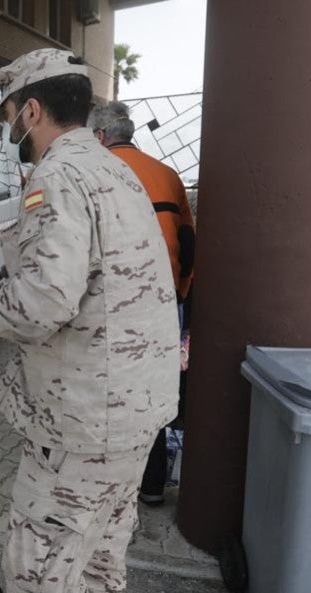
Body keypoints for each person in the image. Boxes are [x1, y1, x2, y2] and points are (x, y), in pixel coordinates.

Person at [0, 49, 179, 593]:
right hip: (136, 409)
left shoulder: (58, 177)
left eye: (9, 117)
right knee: (99, 556)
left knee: (39, 573)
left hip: (86, 423)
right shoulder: (117, 169)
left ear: (33, 110)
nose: (8, 130)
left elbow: (45, 304)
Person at [90, 100, 195, 506]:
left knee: (106, 393)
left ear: (100, 136)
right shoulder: (168, 175)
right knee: (151, 395)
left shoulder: (94, 174)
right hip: (163, 304)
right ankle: (151, 487)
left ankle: (107, 488)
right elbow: (189, 245)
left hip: (108, 308)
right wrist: (180, 295)